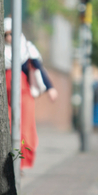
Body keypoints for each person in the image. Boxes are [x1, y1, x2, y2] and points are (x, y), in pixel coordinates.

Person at [4, 17, 58, 170]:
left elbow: (38, 67)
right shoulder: (0, 52)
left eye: (11, 34)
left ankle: (21, 163)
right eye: (6, 34)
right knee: (8, 129)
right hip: (6, 99)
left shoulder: (26, 49)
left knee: (25, 131)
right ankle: (11, 163)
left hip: (24, 96)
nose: (9, 37)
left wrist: (50, 88)